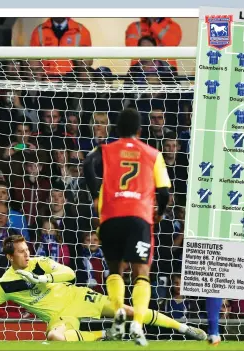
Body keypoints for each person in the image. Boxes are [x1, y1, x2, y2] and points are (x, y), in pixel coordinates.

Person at [0, 235, 206, 343]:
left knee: (128, 310)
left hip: (79, 296)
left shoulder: (39, 263)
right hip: (61, 316)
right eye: (22, 251)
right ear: (10, 256)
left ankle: (185, 328)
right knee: (54, 338)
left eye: (27, 248)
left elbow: (70, 273)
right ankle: (106, 335)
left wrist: (43, 279)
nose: (27, 253)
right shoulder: (5, 285)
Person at [82, 108, 173, 345]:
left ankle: (118, 311)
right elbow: (164, 191)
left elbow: (87, 164)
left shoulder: (105, 149)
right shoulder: (153, 153)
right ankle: (138, 323)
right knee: (141, 273)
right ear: (140, 130)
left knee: (115, 270)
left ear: (116, 129)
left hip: (111, 216)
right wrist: (160, 212)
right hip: (139, 217)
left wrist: (95, 194)